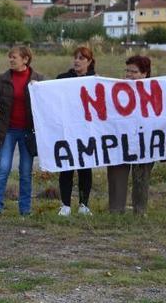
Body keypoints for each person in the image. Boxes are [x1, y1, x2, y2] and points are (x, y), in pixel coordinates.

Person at [0, 46, 44, 218]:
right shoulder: (3, 79)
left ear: (25, 59)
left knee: (25, 172)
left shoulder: (38, 80)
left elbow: (47, 104)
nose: (11, 60)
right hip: (8, 131)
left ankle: (25, 209)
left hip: (28, 132)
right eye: (10, 57)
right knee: (3, 169)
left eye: (14, 57)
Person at [107, 55, 156, 215]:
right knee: (117, 173)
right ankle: (116, 209)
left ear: (145, 73)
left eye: (133, 71)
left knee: (142, 175)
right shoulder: (115, 89)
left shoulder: (154, 91)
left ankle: (140, 210)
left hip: (144, 140)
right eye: (127, 70)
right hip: (120, 140)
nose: (128, 74)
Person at [57, 47, 96, 216]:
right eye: (75, 57)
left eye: (81, 58)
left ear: (89, 61)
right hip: (67, 130)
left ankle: (83, 204)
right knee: (66, 167)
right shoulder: (62, 79)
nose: (77, 61)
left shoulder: (95, 80)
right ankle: (65, 205)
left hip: (87, 131)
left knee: (85, 168)